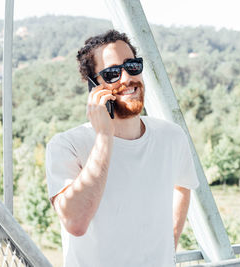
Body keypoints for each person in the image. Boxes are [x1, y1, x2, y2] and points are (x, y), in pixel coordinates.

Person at [45, 29, 199, 267]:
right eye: (113, 72)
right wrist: (104, 137)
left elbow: (183, 186)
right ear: (94, 86)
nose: (127, 78)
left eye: (132, 66)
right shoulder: (67, 145)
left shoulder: (171, 137)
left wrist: (168, 249)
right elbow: (75, 222)